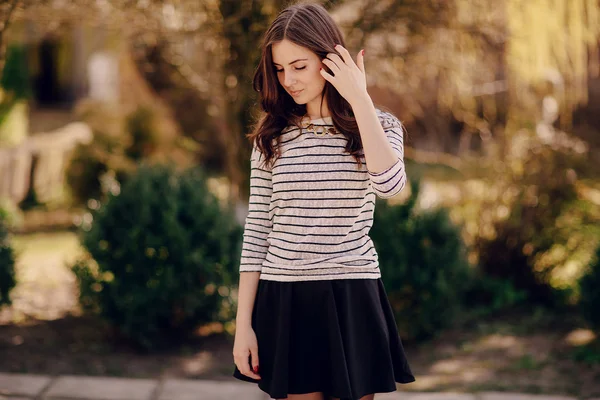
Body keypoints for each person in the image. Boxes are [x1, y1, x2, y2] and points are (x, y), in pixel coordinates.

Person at [232, 3, 415, 400]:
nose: (289, 81)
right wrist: (242, 324)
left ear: (330, 59)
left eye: (299, 66)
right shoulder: (272, 137)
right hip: (286, 296)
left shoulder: (378, 125)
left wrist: (360, 99)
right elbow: (258, 229)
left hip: (351, 293)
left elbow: (392, 187)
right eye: (280, 69)